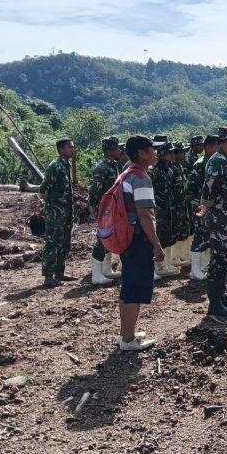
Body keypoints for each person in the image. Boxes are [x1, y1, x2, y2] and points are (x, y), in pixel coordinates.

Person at [116, 135, 165, 350]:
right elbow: (144, 215)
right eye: (152, 150)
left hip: (126, 237)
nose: (155, 153)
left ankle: (127, 333)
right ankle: (127, 340)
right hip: (138, 239)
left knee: (128, 287)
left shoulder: (126, 174)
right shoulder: (141, 178)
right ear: (142, 153)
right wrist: (156, 244)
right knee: (134, 289)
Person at [197, 127, 227, 319]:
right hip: (221, 221)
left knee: (225, 259)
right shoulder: (217, 161)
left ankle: (221, 296)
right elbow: (208, 191)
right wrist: (205, 214)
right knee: (218, 261)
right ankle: (215, 304)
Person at [40, 138, 76, 287]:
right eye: (70, 147)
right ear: (61, 149)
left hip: (66, 210)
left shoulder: (66, 165)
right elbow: (44, 189)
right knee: (53, 242)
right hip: (56, 211)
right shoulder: (55, 166)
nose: (73, 149)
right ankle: (48, 276)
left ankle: (59, 273)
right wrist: (51, 206)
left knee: (65, 241)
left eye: (73, 147)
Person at [89, 136, 124, 286]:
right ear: (110, 151)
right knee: (102, 239)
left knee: (110, 237)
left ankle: (106, 269)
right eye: (117, 148)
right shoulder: (102, 167)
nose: (120, 151)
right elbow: (95, 190)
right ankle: (96, 275)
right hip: (105, 209)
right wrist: (94, 207)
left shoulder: (114, 165)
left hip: (113, 208)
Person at [186, 135, 218, 280]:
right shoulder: (201, 164)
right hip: (200, 206)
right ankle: (194, 270)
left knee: (208, 238)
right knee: (199, 237)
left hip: (211, 207)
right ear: (210, 147)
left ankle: (204, 267)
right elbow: (189, 188)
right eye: (217, 146)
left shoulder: (213, 163)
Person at [150, 137, 179, 278]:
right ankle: (154, 268)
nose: (172, 155)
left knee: (166, 237)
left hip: (168, 209)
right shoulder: (154, 170)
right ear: (162, 154)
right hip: (157, 210)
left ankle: (163, 265)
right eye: (169, 152)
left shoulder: (169, 170)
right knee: (156, 238)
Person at [169, 142, 191, 266]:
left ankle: (176, 257)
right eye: (182, 152)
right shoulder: (171, 167)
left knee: (182, 230)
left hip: (181, 204)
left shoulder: (178, 166)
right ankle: (171, 259)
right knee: (173, 231)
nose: (184, 154)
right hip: (173, 205)